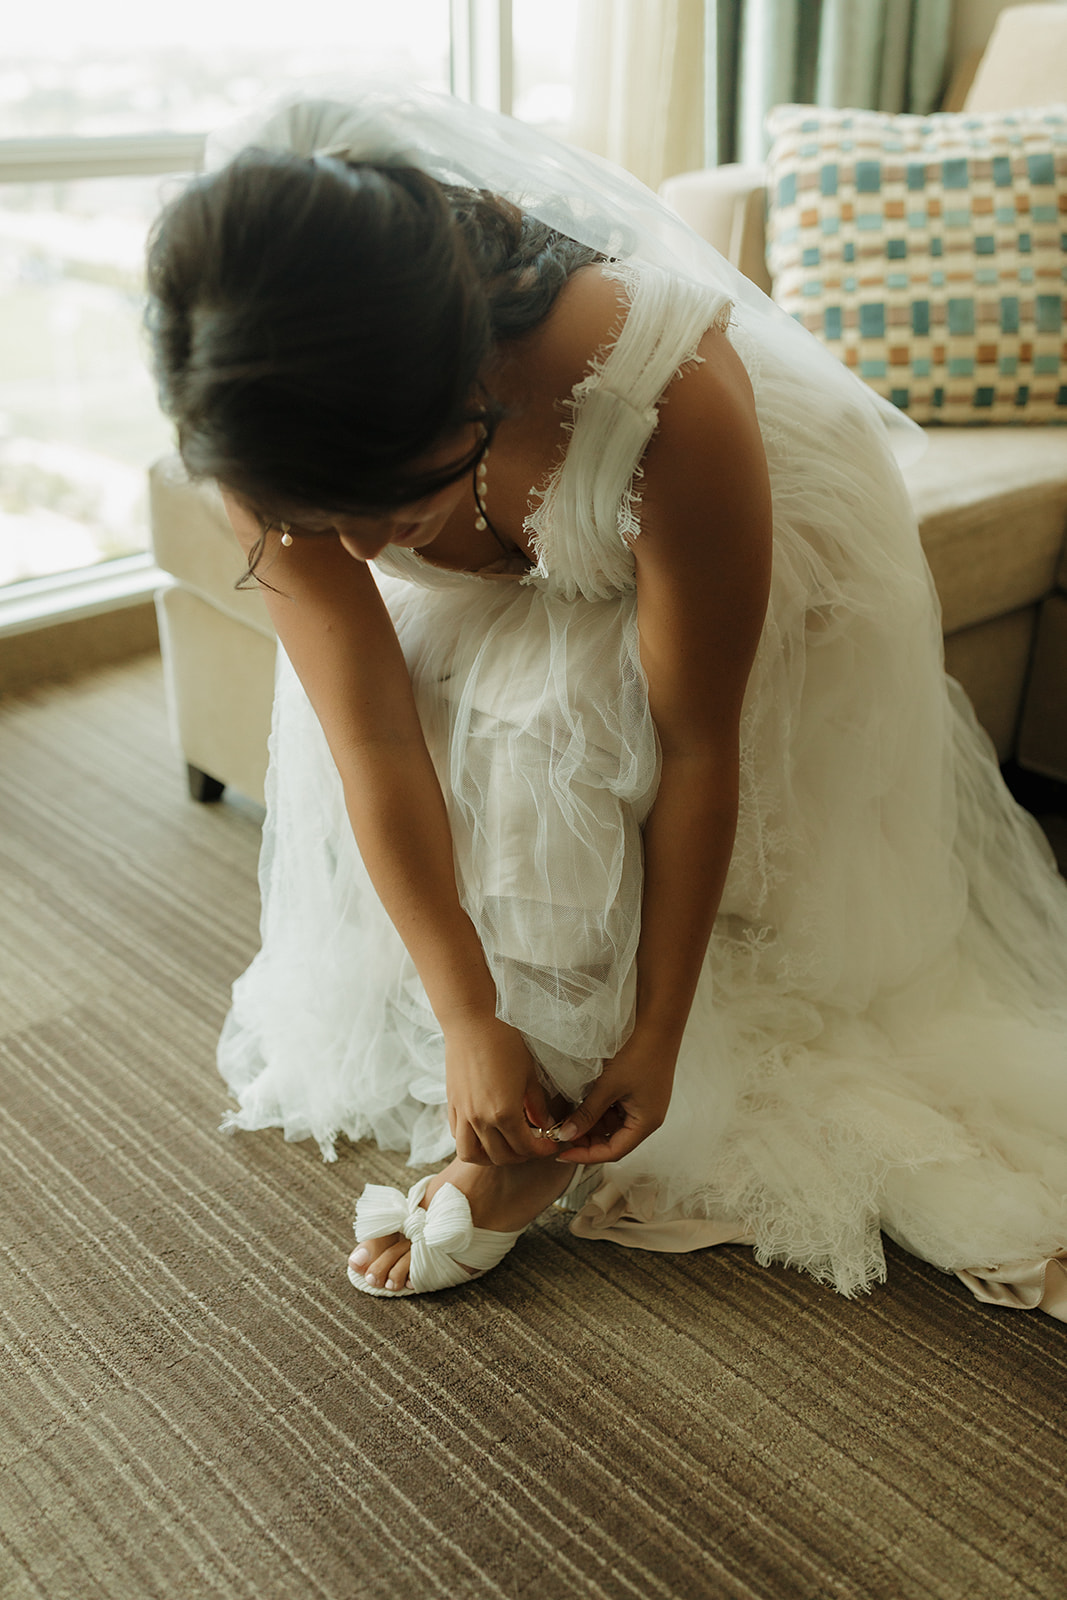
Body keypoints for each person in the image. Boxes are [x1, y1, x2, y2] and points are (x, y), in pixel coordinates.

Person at [146, 85, 1067, 1316]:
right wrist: (467, 1008)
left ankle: (519, 1150)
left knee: (562, 729)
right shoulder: (266, 436)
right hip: (532, 532)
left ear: (464, 380)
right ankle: (517, 1103)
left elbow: (694, 747)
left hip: (727, 529)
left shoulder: (656, 387)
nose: (364, 551)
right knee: (447, 714)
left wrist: (662, 1025)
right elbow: (365, 733)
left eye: (392, 501)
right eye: (325, 520)